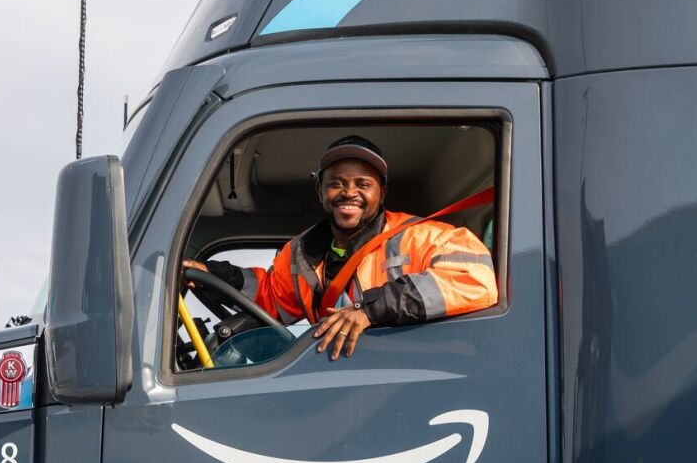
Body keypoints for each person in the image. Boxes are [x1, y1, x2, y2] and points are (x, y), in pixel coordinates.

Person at [184, 135, 497, 360]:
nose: (349, 192)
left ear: (382, 193)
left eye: (363, 184)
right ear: (320, 190)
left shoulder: (423, 237)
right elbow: (270, 297)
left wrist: (370, 310)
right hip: (340, 381)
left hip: (413, 377)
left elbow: (477, 280)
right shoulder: (301, 254)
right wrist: (215, 273)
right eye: (336, 183)